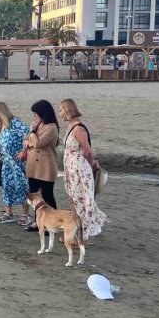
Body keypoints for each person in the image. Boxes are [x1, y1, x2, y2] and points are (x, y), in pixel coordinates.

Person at [58, 99, 107, 240]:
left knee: (80, 200)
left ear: (68, 110)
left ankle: (80, 235)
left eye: (61, 110)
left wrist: (92, 163)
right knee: (74, 199)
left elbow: (87, 150)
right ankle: (75, 233)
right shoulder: (71, 126)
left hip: (79, 169)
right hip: (72, 168)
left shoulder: (78, 128)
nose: (60, 113)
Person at [18, 100, 59, 232]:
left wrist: (32, 132)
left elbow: (38, 144)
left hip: (46, 165)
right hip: (33, 165)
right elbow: (25, 141)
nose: (34, 117)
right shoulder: (38, 125)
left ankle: (52, 223)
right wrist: (31, 136)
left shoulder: (51, 127)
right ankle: (38, 221)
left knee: (47, 195)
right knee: (34, 195)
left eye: (36, 114)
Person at [0, 102, 30, 225]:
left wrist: (24, 151)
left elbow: (29, 134)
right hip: (6, 162)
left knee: (22, 186)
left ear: (0, 112)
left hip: (18, 163)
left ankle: (25, 215)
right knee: (6, 187)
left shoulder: (15, 123)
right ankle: (8, 213)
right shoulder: (3, 125)